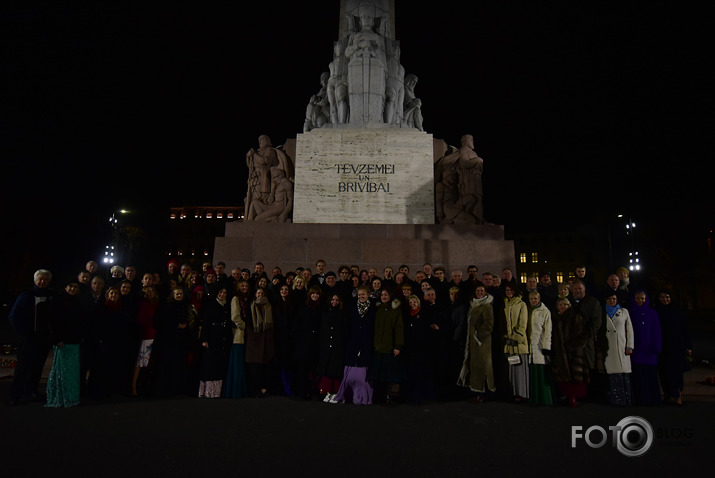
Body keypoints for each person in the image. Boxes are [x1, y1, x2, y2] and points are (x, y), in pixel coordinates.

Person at [8, 269, 54, 406]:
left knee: (37, 367)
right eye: (40, 279)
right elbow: (13, 316)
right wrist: (23, 334)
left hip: (43, 339)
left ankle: (31, 391)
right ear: (35, 280)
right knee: (23, 367)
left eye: (46, 279)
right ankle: (15, 395)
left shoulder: (50, 295)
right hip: (28, 339)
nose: (42, 281)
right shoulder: (26, 295)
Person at [331, 285, 375, 405]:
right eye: (359, 294)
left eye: (363, 294)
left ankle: (364, 396)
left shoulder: (373, 309)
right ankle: (348, 394)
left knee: (364, 367)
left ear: (368, 295)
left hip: (367, 341)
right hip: (353, 341)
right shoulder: (351, 308)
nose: (361, 296)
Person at [152, 286, 196, 397]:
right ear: (173, 295)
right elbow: (163, 322)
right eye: (177, 294)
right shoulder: (168, 307)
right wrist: (176, 325)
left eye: (181, 294)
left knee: (181, 364)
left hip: (182, 339)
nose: (179, 296)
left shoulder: (186, 306)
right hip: (170, 339)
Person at [45, 279, 82, 408]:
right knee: (61, 371)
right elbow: (53, 322)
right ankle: (61, 396)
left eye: (75, 287)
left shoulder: (77, 301)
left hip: (74, 341)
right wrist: (57, 339)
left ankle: (71, 396)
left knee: (72, 371)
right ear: (65, 287)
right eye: (70, 286)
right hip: (62, 342)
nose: (73, 289)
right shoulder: (58, 301)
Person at [457, 285, 495, 403]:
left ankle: (484, 393)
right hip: (472, 342)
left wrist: (479, 336)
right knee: (474, 366)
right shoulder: (473, 305)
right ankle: (476, 392)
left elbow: (489, 324)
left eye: (481, 291)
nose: (479, 292)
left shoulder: (486, 306)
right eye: (477, 290)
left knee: (483, 366)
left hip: (481, 342)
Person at [654, 289, 692, 406]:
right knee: (664, 372)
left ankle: (678, 394)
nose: (665, 300)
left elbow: (685, 329)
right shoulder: (656, 311)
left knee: (677, 372)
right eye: (662, 297)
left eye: (667, 297)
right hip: (662, 346)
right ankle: (667, 394)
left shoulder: (678, 311)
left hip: (677, 345)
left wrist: (688, 346)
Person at [551, 298, 590, 408]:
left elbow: (583, 334)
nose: (563, 307)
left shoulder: (575, 317)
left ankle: (574, 398)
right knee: (563, 376)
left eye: (565, 304)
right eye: (560, 305)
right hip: (559, 352)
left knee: (575, 376)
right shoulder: (554, 318)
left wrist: (574, 346)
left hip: (574, 351)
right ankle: (565, 396)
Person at [570, 279, 604, 402]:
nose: (577, 291)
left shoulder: (593, 302)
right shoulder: (570, 303)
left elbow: (596, 322)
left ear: (584, 290)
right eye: (575, 289)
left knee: (590, 368)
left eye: (580, 289)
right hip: (572, 342)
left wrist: (585, 336)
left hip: (587, 341)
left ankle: (592, 395)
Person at [369, 288, 404, 406]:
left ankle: (387, 397)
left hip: (389, 347)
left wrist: (397, 346)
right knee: (378, 375)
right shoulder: (378, 309)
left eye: (386, 294)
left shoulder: (395, 310)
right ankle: (377, 397)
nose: (384, 297)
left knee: (387, 375)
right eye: (382, 295)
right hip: (378, 346)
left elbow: (399, 329)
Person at [402, 294, 438, 405]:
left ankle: (422, 396)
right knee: (412, 373)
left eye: (414, 302)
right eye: (411, 302)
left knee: (421, 373)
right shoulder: (407, 315)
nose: (413, 304)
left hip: (422, 349)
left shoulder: (424, 314)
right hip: (411, 349)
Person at [599, 291, 634, 406]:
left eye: (614, 299)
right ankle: (615, 400)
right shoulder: (602, 312)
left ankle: (626, 399)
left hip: (622, 346)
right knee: (612, 375)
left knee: (623, 374)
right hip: (609, 348)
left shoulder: (624, 312)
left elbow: (629, 330)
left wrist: (629, 346)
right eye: (610, 299)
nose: (612, 301)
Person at [629, 291, 662, 406]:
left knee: (651, 376)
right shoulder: (631, 313)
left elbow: (656, 331)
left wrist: (656, 346)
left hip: (650, 350)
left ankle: (654, 399)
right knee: (639, 376)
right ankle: (642, 399)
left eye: (642, 298)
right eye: (638, 298)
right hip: (637, 349)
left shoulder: (652, 313)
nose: (640, 301)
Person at [198, 288, 232, 398]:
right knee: (209, 364)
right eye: (220, 292)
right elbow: (206, 323)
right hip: (212, 337)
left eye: (225, 293)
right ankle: (207, 391)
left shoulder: (227, 306)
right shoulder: (211, 305)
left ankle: (217, 392)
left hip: (223, 338)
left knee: (219, 364)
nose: (222, 294)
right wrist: (204, 339)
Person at [316, 293, 347, 403]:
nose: (334, 302)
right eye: (333, 300)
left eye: (337, 300)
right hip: (326, 346)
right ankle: (327, 391)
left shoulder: (342, 314)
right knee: (327, 369)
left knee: (335, 370)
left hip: (337, 346)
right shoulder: (325, 313)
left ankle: (335, 392)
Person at [245, 287, 275, 398]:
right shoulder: (251, 305)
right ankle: (254, 389)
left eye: (262, 293)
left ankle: (264, 388)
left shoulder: (269, 305)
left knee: (266, 365)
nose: (260, 295)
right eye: (258, 292)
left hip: (267, 339)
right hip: (254, 339)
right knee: (254, 366)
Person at [131, 285, 160, 397]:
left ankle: (145, 386)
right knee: (140, 362)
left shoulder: (156, 304)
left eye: (152, 291)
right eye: (148, 291)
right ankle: (133, 386)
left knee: (149, 363)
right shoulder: (144, 304)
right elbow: (141, 320)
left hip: (154, 335)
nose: (150, 293)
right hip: (146, 335)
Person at [502, 283, 529, 402]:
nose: (509, 292)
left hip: (518, 342)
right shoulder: (505, 304)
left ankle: (521, 393)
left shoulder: (521, 304)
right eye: (507, 290)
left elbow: (522, 323)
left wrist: (515, 337)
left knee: (519, 369)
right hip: (508, 343)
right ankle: (513, 392)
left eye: (511, 290)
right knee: (511, 369)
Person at [527, 291, 553, 405]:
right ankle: (534, 398)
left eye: (535, 298)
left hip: (540, 345)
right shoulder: (527, 310)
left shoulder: (545, 311)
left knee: (541, 374)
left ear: (539, 299)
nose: (533, 300)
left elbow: (548, 331)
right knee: (533, 372)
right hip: (530, 346)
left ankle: (544, 399)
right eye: (531, 299)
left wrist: (546, 347)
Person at [225, 280, 250, 399]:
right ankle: (235, 391)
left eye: (246, 286)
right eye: (242, 286)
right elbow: (235, 317)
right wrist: (245, 326)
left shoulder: (247, 300)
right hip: (238, 335)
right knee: (237, 364)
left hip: (246, 336)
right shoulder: (235, 299)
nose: (244, 287)